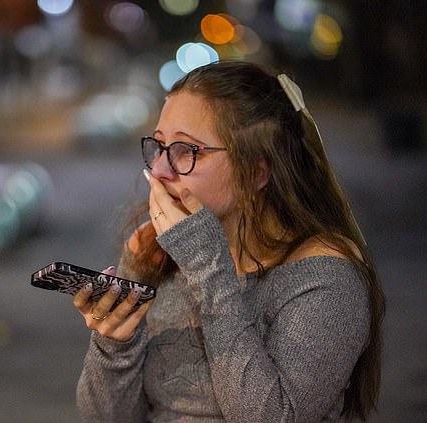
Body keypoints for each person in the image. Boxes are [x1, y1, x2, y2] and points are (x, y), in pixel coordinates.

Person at [72, 60, 385, 422]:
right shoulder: (156, 254)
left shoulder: (326, 279)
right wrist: (115, 344)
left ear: (256, 171)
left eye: (186, 151)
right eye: (159, 146)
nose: (159, 169)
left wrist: (206, 265)